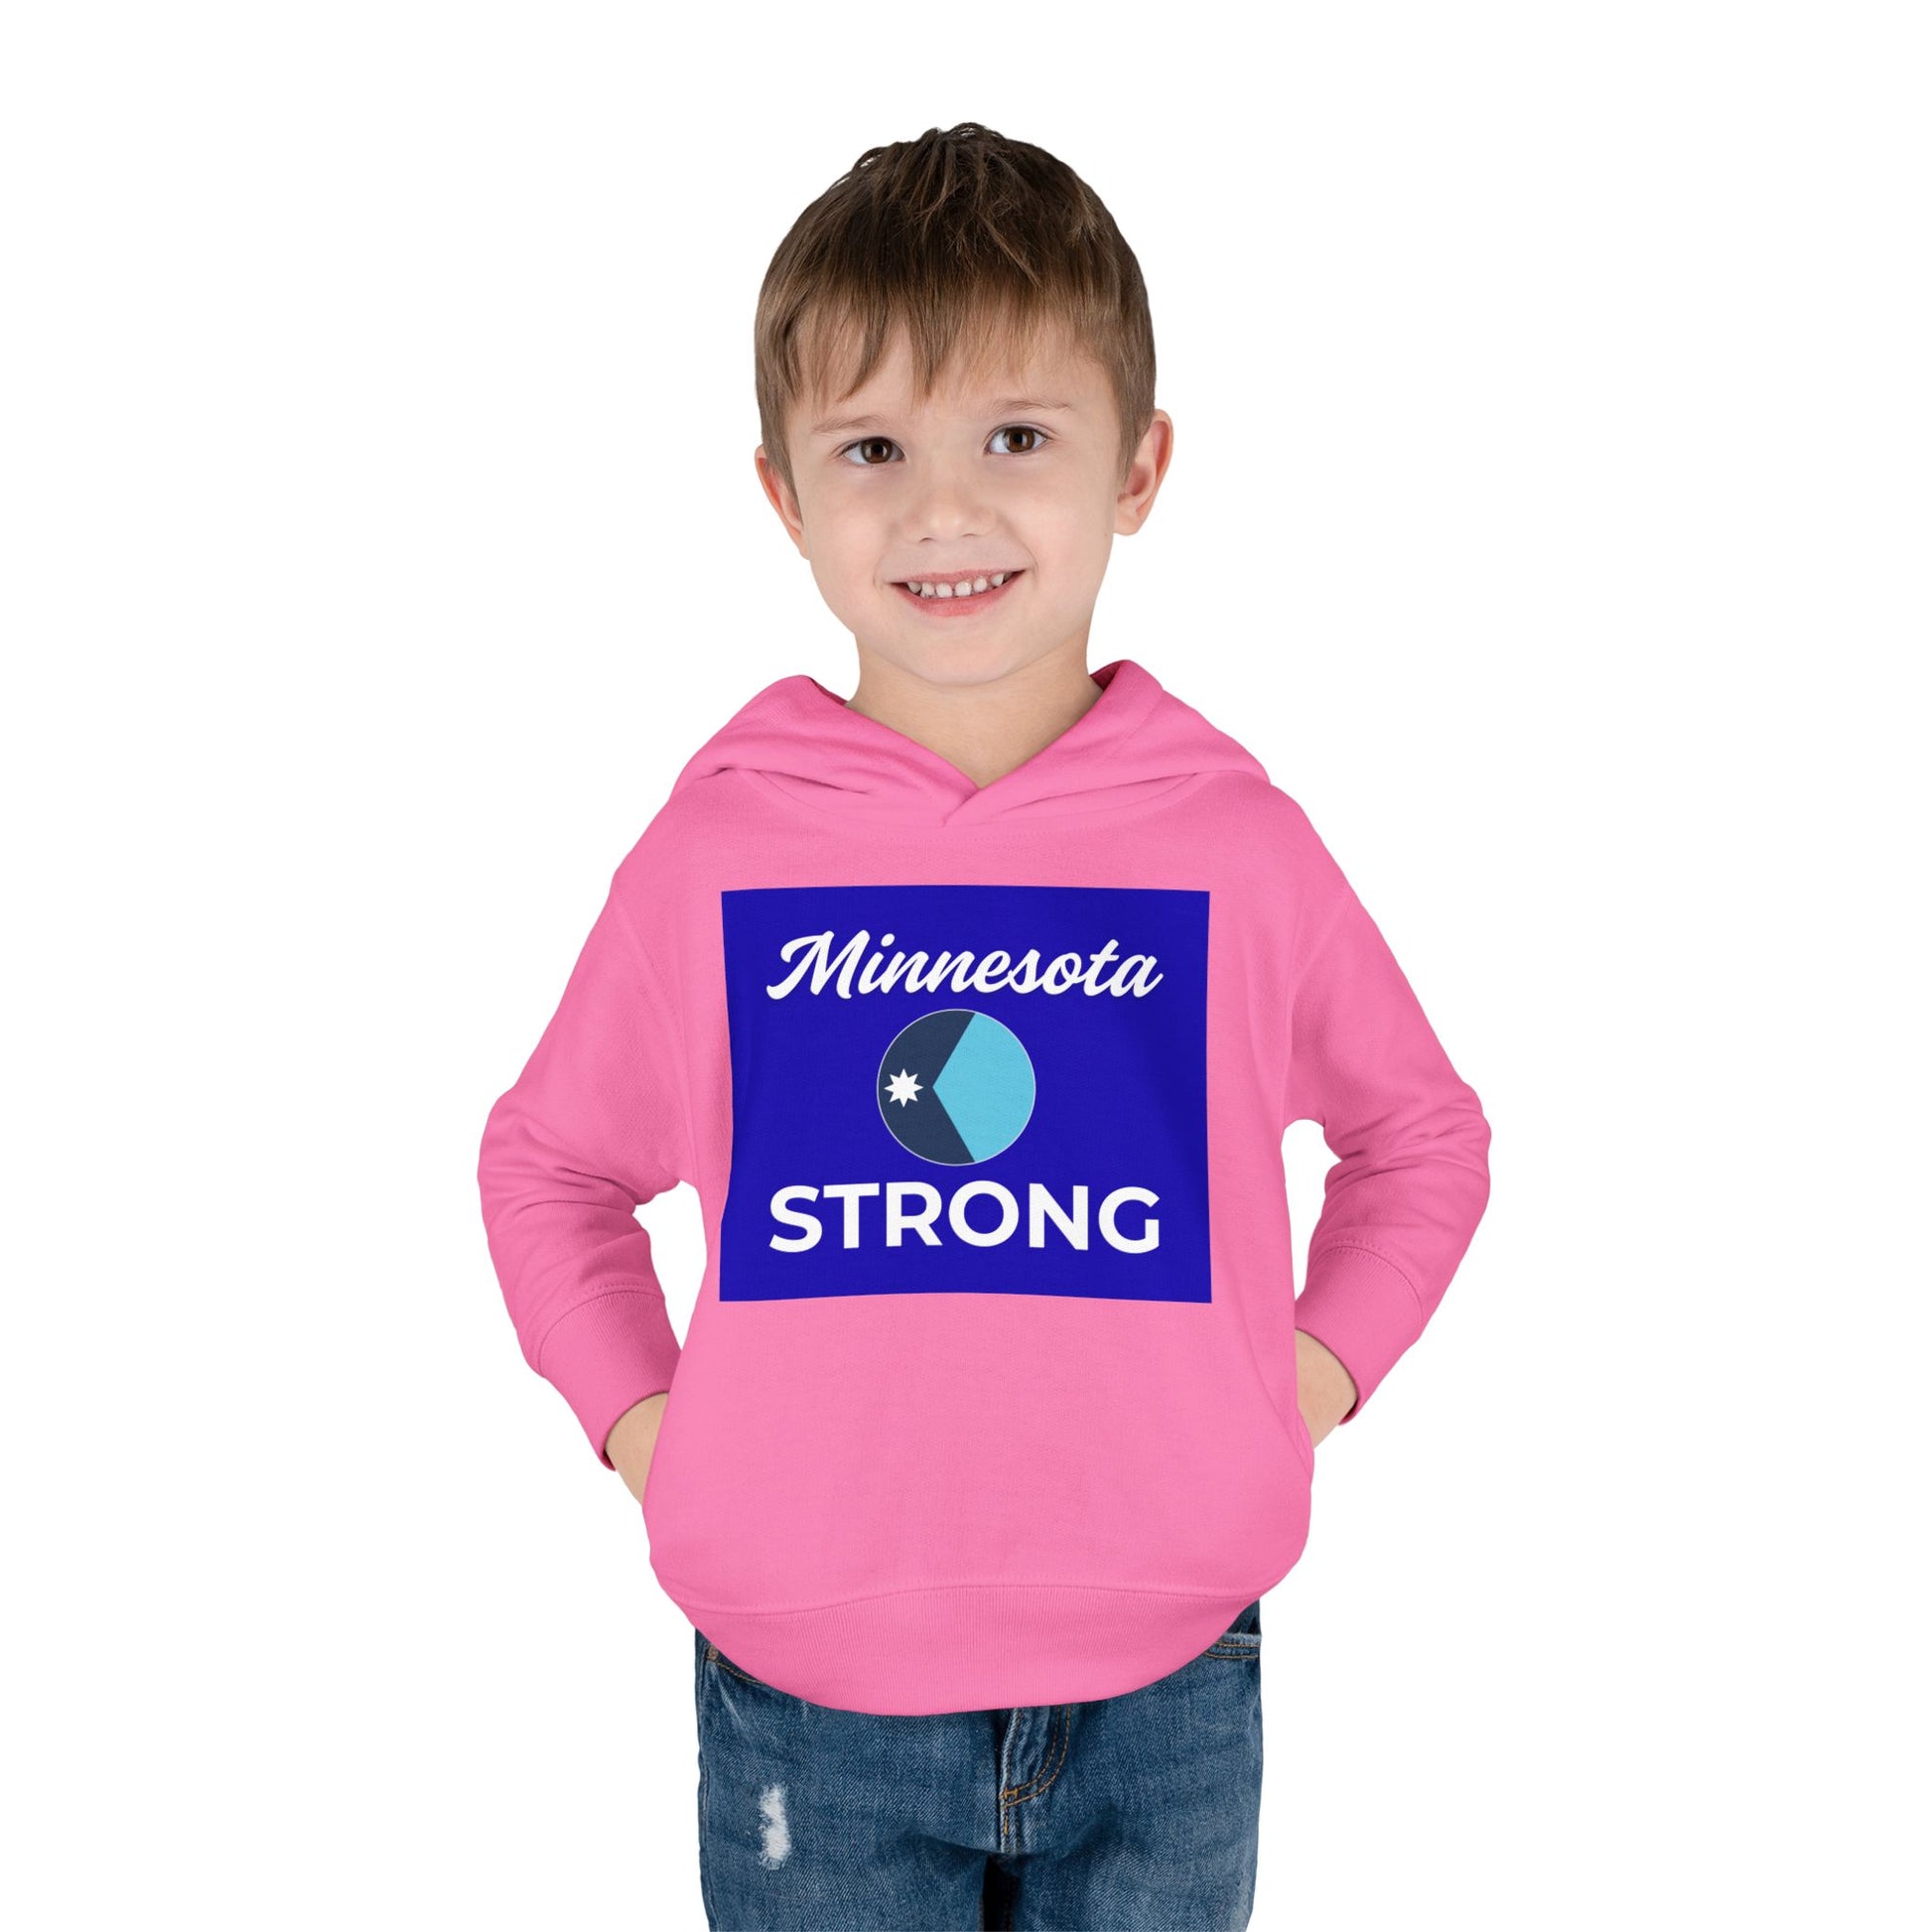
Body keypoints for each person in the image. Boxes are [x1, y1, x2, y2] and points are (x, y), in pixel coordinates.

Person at [479, 121, 1492, 1932]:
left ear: (1139, 465)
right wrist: (645, 1426)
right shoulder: (716, 850)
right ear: (785, 495)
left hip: (1169, 1682)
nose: (944, 512)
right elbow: (549, 1161)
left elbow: (1419, 1134)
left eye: (1014, 437)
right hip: (807, 1690)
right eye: (872, 450)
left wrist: (1310, 1379)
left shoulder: (1230, 844)